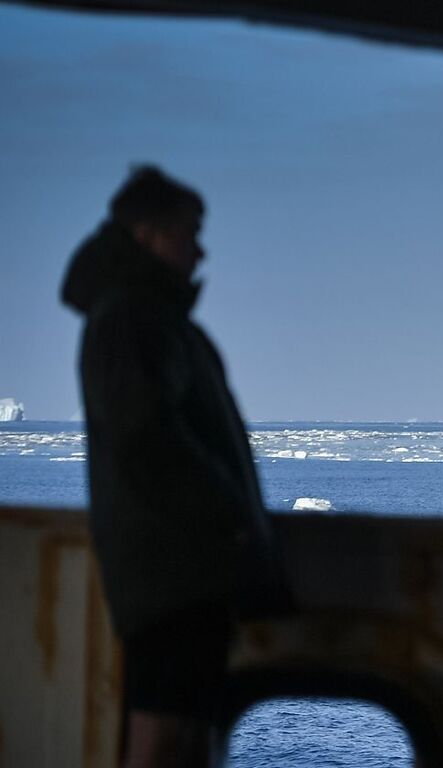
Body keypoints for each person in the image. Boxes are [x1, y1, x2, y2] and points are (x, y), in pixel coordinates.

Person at [60, 165, 287, 768]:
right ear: (147, 235)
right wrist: (227, 517)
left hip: (178, 569)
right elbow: (148, 441)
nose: (200, 248)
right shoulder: (134, 320)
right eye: (189, 231)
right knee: (162, 736)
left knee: (183, 733)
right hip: (173, 569)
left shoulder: (146, 319)